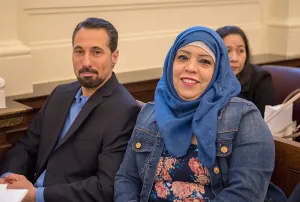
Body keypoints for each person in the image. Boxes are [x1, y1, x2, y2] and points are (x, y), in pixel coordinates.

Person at [114, 26, 286, 201]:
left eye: (204, 61)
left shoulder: (244, 117)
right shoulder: (150, 113)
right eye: (182, 57)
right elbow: (126, 178)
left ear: (218, 71)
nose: (191, 67)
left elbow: (246, 192)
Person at [0, 17, 140, 202]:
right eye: (79, 51)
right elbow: (26, 146)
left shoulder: (124, 109)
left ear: (114, 57)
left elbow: (105, 186)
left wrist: (37, 195)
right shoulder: (60, 94)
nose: (86, 62)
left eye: (96, 52)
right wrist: (8, 178)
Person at [216, 25, 277, 117]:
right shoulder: (207, 78)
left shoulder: (260, 79)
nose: (234, 58)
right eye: (227, 51)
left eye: (241, 51)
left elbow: (266, 122)